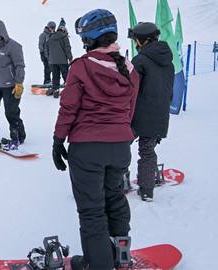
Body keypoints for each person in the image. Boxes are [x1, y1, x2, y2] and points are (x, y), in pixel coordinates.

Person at [52, 9, 139, 270]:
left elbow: (68, 108)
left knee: (92, 210)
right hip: (120, 147)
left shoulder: (81, 67)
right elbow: (130, 111)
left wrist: (58, 140)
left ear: (89, 39)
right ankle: (121, 257)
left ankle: (98, 264)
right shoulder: (130, 69)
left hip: (88, 148)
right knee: (115, 199)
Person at [128, 22, 174, 202]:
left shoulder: (140, 61)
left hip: (137, 114)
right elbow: (168, 91)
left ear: (142, 40)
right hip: (159, 114)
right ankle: (146, 190)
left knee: (120, 146)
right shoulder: (168, 62)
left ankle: (116, 181)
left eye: (135, 40)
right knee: (147, 152)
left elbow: (130, 90)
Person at [45, 22, 72, 97]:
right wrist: (70, 58)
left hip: (52, 61)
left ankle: (55, 91)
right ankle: (70, 91)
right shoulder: (64, 37)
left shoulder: (50, 37)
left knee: (55, 76)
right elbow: (67, 49)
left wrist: (49, 58)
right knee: (66, 76)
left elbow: (46, 49)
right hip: (62, 60)